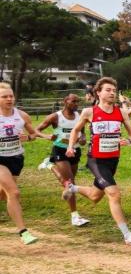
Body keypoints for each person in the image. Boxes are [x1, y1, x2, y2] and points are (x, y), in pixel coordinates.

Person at [63, 77, 131, 246]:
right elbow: (75, 130)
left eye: (114, 91)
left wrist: (128, 141)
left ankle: (72, 187)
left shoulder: (121, 113)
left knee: (95, 196)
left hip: (113, 160)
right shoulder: (89, 112)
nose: (112, 93)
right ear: (98, 93)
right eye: (108, 90)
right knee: (114, 194)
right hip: (96, 160)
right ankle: (128, 235)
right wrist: (71, 147)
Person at [0, 82, 48, 244]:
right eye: (4, 96)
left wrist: (27, 138)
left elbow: (34, 134)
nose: (9, 99)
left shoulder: (21, 115)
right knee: (14, 193)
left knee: (4, 194)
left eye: (11, 96)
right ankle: (24, 232)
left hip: (16, 158)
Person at [36, 93, 90, 227]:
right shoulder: (55, 117)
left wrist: (83, 138)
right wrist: (47, 136)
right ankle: (75, 216)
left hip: (75, 151)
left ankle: (49, 164)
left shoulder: (80, 116)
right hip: (60, 151)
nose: (76, 104)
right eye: (73, 101)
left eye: (78, 102)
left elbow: (82, 132)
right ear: (65, 101)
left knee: (65, 183)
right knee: (70, 183)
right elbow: (36, 130)